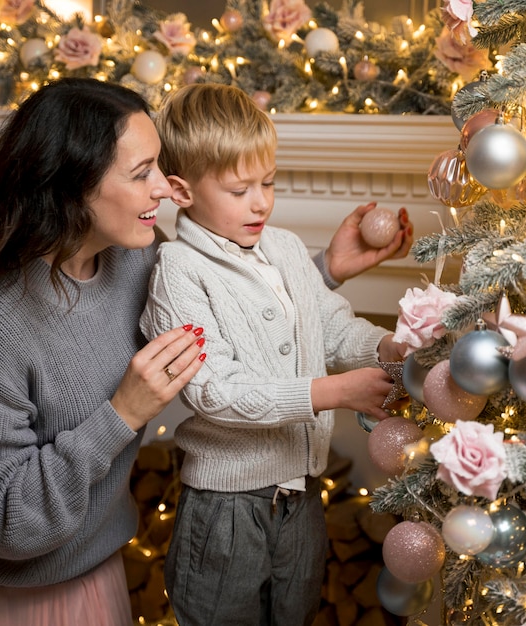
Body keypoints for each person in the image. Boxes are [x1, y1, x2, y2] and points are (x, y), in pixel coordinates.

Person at [0, 77, 410, 626]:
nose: (166, 188)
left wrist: (320, 270)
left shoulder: (134, 259)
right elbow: (1, 521)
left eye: (159, 166)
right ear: (70, 187)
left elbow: (224, 306)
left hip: (93, 568)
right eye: (143, 175)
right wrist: (122, 413)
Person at [139, 82, 410, 626]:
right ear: (181, 190)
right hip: (226, 507)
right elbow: (216, 390)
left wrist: (388, 348)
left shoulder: (284, 248)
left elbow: (329, 327)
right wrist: (331, 392)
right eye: (239, 189)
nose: (260, 201)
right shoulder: (178, 270)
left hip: (302, 498)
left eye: (268, 182)